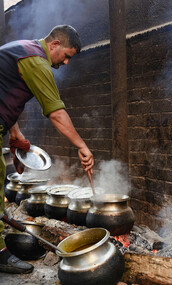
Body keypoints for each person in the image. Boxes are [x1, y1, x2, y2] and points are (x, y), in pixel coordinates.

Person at [0, 25, 94, 274]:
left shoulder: (24, 51)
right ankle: (0, 255)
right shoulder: (36, 61)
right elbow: (56, 113)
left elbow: (5, 94)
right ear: (54, 45)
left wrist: (14, 132)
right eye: (66, 56)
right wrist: (82, 146)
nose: (65, 63)